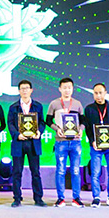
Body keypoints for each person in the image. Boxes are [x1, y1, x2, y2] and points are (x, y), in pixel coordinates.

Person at [7, 79, 47, 207]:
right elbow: (10, 124)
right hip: (19, 142)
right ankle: (17, 198)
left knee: (35, 172)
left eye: (27, 88)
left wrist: (39, 132)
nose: (24, 91)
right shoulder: (13, 107)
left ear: (31, 90)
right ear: (19, 91)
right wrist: (17, 135)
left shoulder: (38, 106)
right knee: (17, 172)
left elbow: (42, 122)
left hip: (33, 143)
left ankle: (38, 198)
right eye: (22, 88)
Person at [47, 77, 85, 207]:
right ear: (60, 89)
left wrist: (81, 130)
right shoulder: (54, 104)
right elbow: (48, 120)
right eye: (64, 88)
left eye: (69, 87)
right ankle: (60, 198)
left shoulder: (78, 104)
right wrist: (56, 129)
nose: (67, 90)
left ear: (72, 89)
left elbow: (83, 121)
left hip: (75, 142)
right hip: (60, 142)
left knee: (76, 170)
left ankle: (76, 198)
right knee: (60, 171)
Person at [83, 83, 109, 208]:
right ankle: (96, 197)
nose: (98, 95)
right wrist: (92, 141)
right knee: (95, 173)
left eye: (100, 93)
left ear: (105, 93)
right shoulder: (89, 109)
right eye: (96, 93)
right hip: (96, 147)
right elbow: (87, 128)